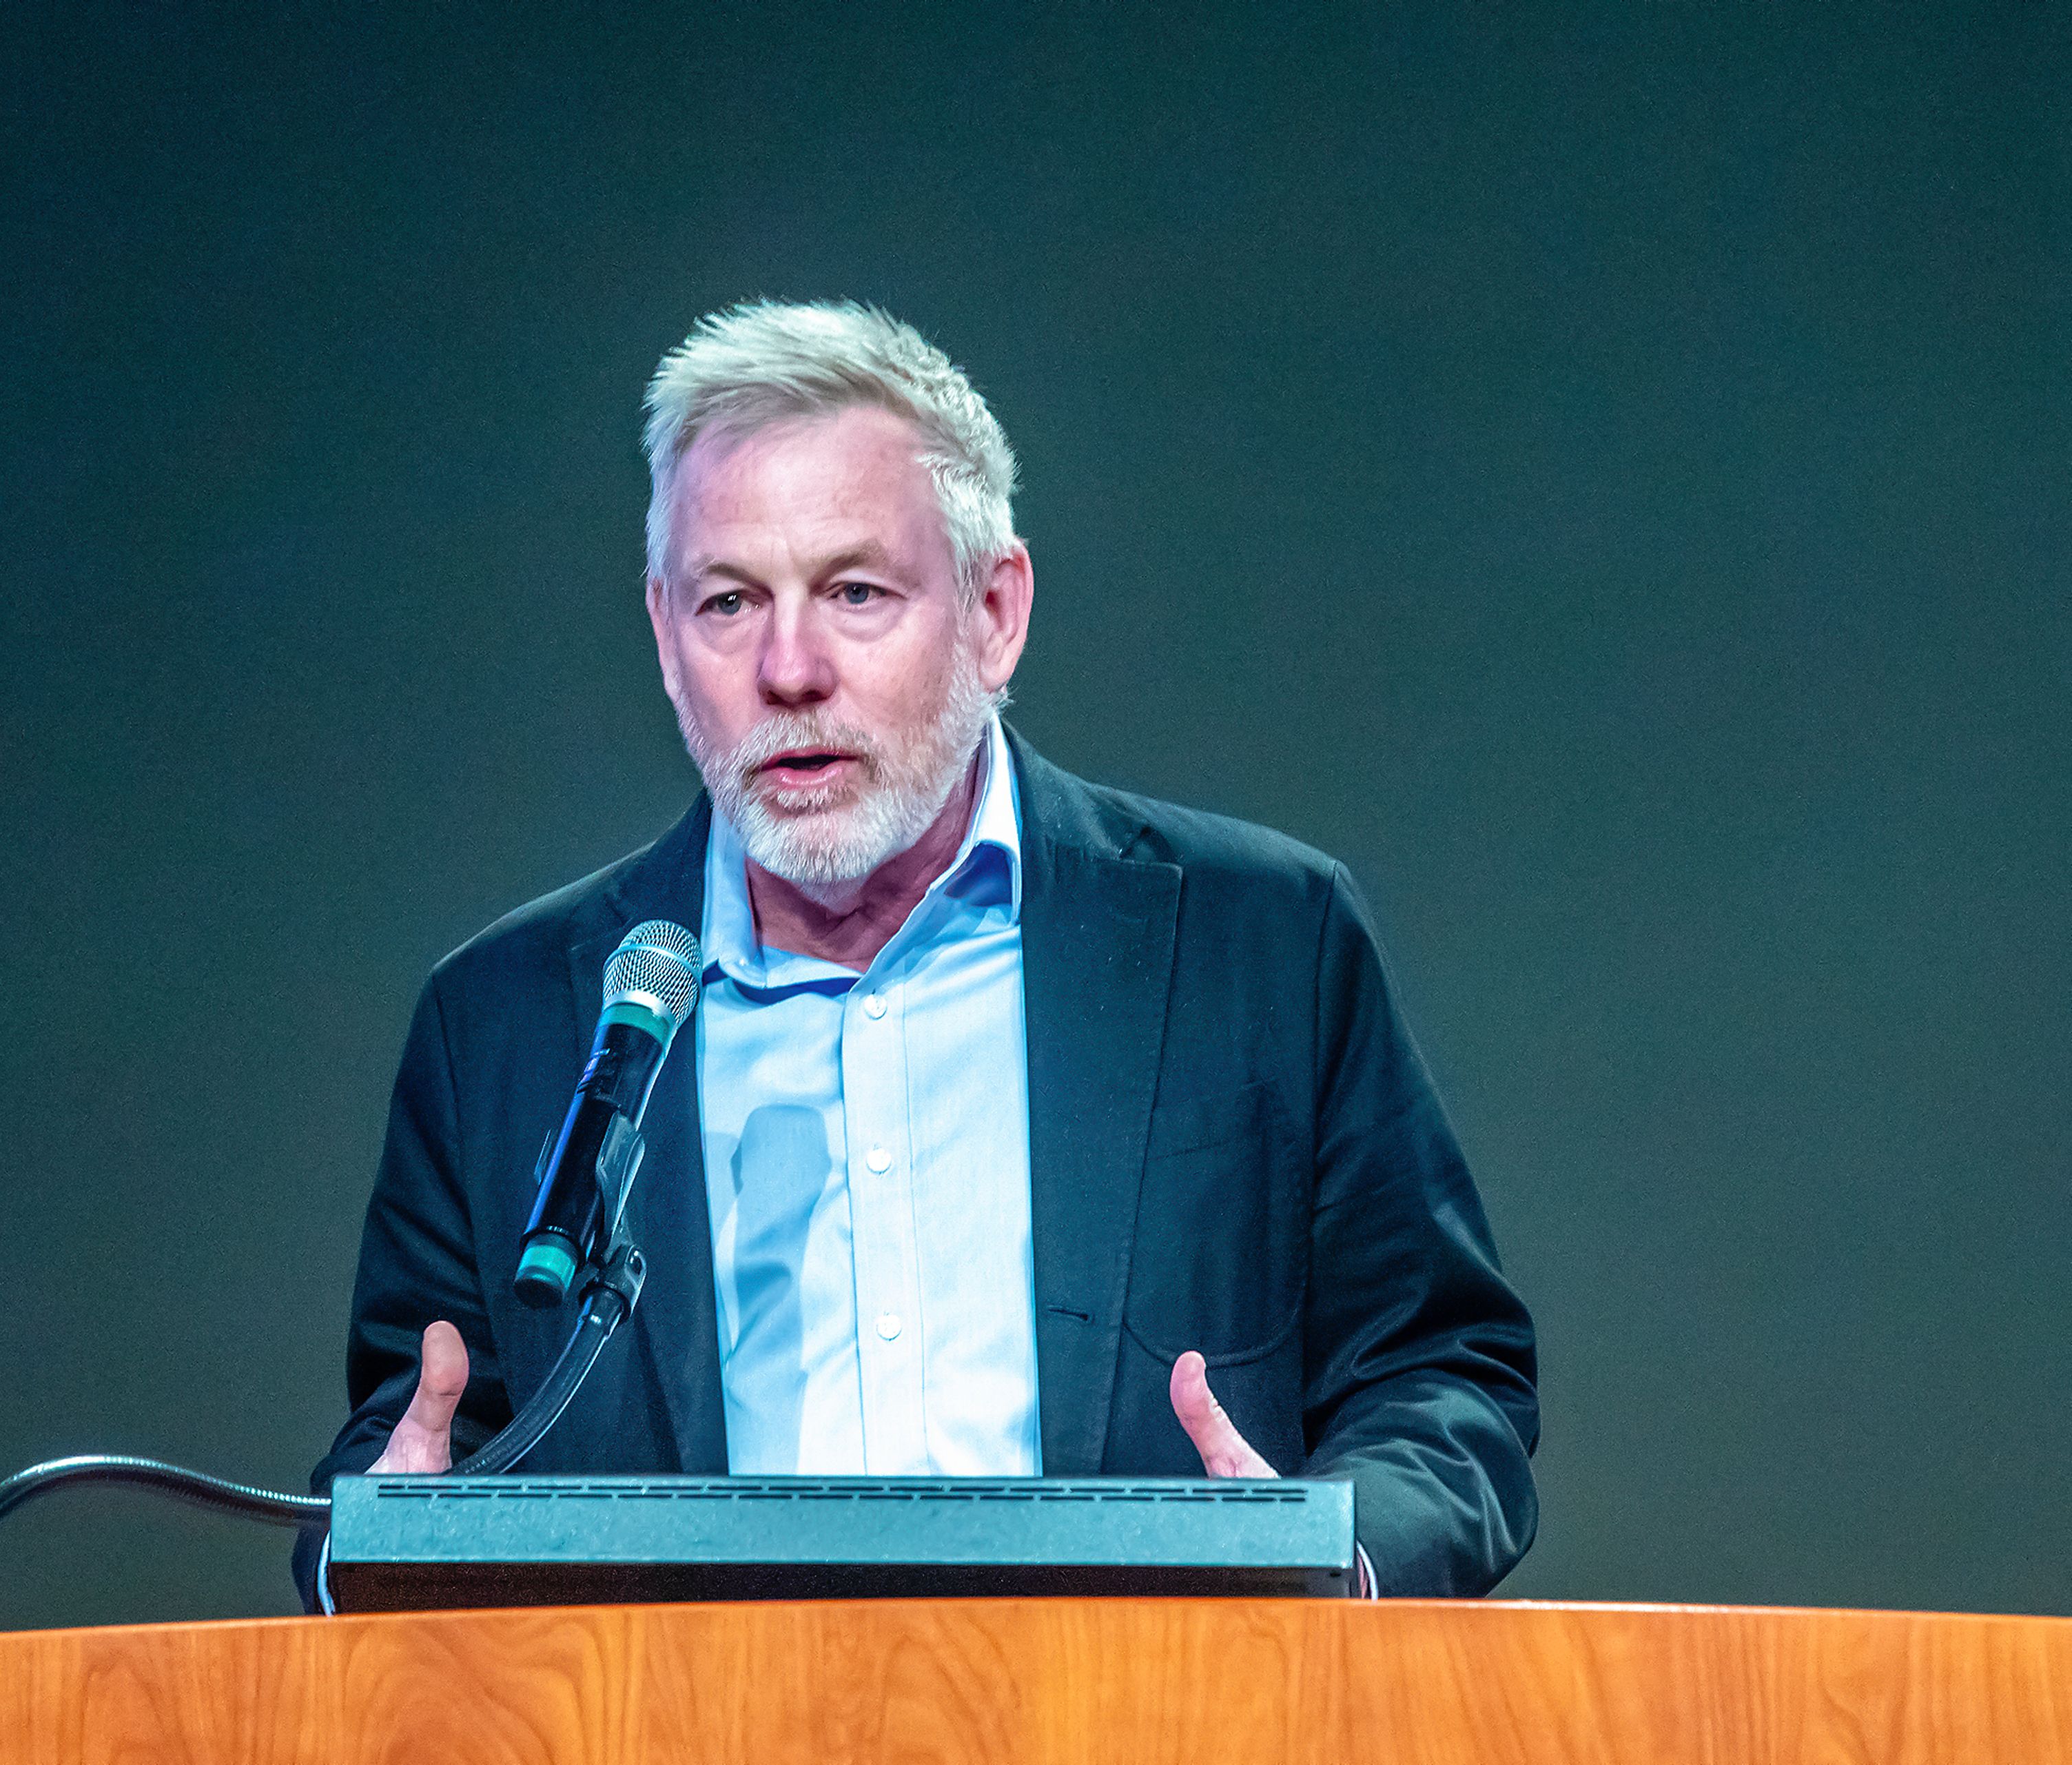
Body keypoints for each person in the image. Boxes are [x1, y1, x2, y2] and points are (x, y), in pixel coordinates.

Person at [302, 301, 1537, 1599]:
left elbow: (1441, 1380)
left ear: (994, 612)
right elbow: (411, 1455)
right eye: (731, 601)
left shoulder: (1262, 946)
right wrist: (390, 1547)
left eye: (854, 592)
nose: (790, 668)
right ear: (666, 638)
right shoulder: (506, 1022)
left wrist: (1315, 1562)